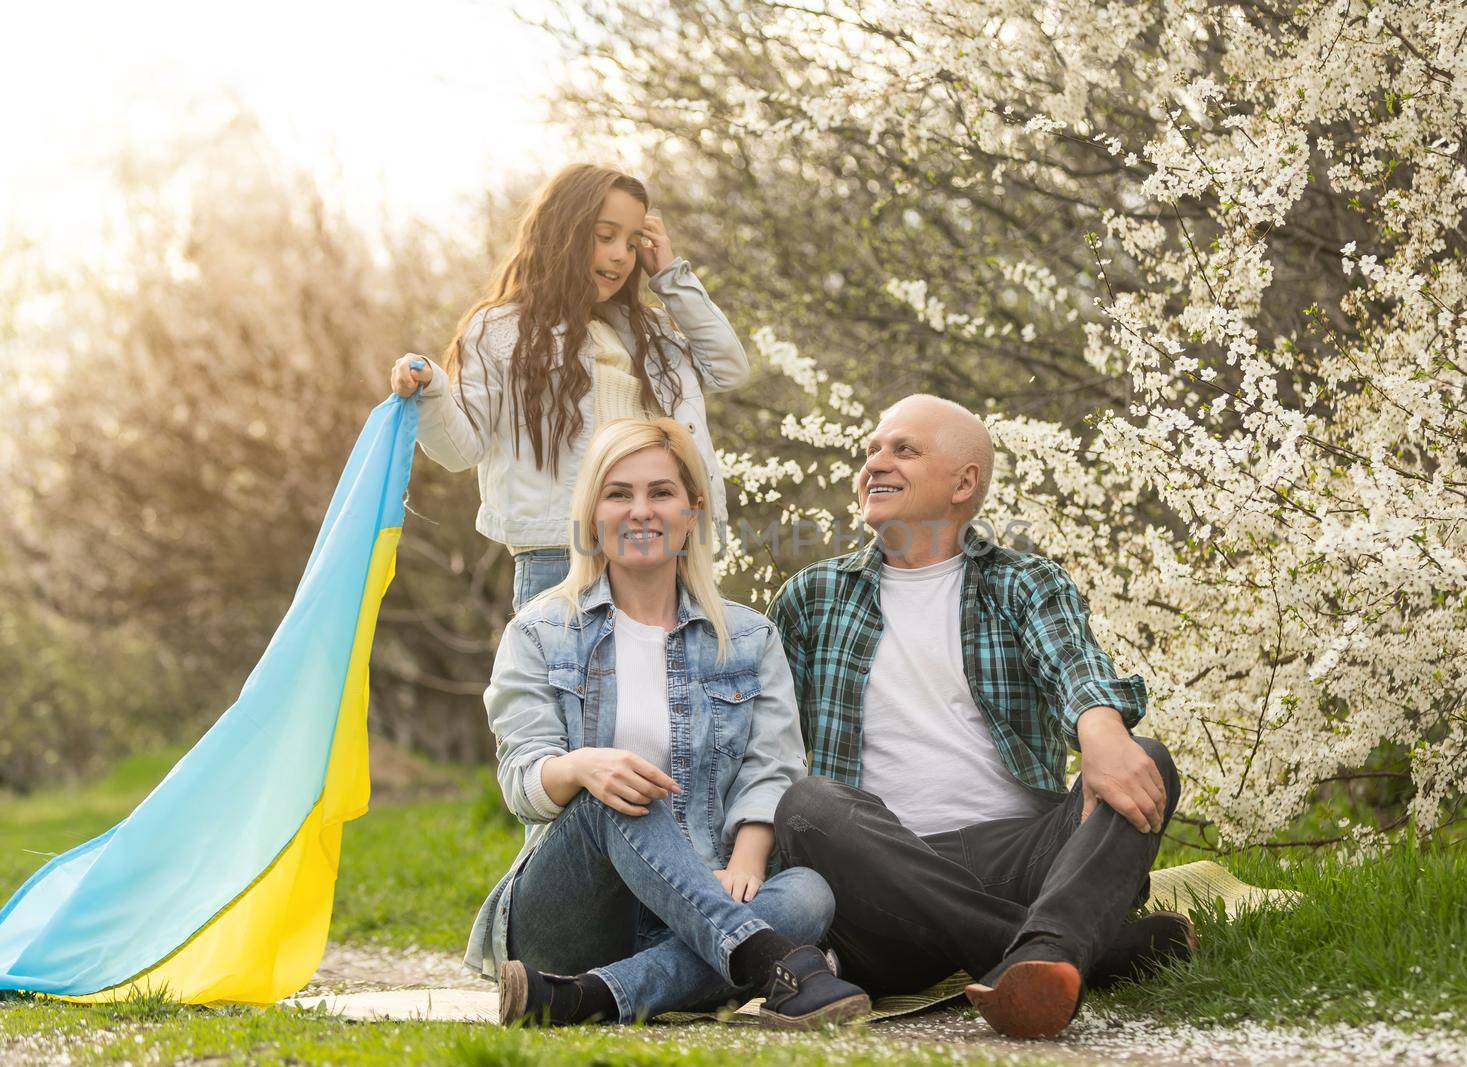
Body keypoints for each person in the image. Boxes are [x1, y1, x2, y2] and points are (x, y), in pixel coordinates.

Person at [768, 394, 1192, 1039]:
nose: (875, 464)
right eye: (871, 451)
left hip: (1021, 858)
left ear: (964, 482)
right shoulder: (812, 596)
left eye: (903, 450)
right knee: (806, 804)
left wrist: (1102, 728)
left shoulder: (1023, 583)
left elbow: (1074, 665)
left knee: (1147, 758)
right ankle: (1055, 952)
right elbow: (764, 742)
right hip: (878, 882)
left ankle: (1044, 946)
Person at [466, 417, 870, 1030]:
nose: (640, 512)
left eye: (660, 493)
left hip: (705, 890)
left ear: (693, 511)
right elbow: (521, 783)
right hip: (571, 913)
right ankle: (773, 959)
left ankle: (585, 998)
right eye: (618, 493)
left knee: (808, 892)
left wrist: (747, 865)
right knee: (615, 787)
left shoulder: (749, 638)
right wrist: (581, 767)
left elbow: (773, 769)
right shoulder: (540, 631)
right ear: (593, 513)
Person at [388, 164, 748, 612]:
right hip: (560, 558)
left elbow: (729, 369)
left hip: (663, 553)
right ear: (563, 233)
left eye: (633, 242)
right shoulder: (503, 330)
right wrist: (432, 391)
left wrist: (670, 275)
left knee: (663, 684)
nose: (621, 255)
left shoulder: (649, 331)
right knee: (562, 686)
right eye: (605, 236)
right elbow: (459, 450)